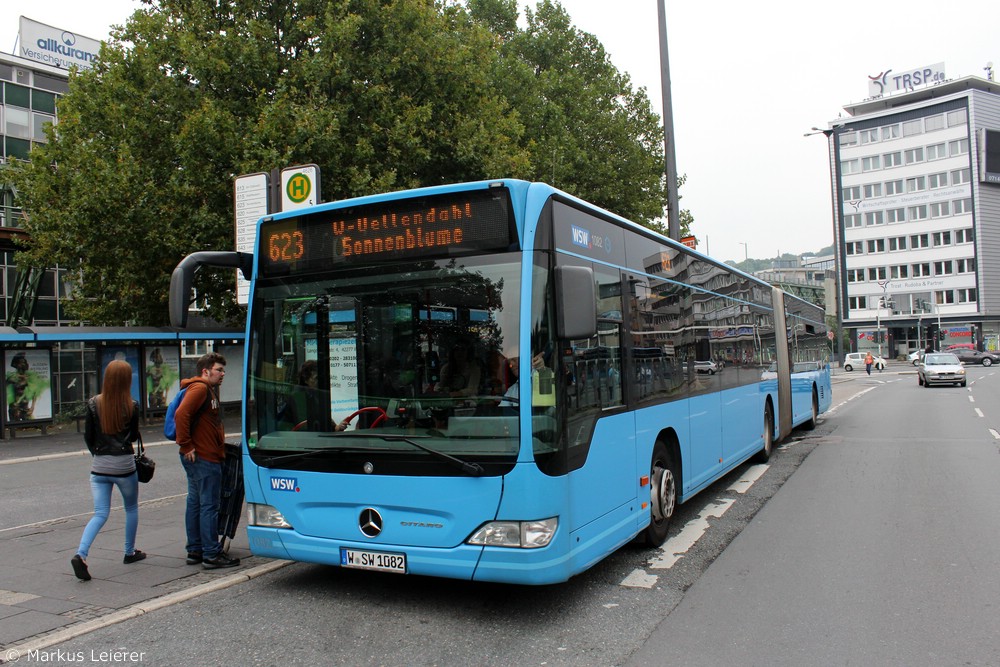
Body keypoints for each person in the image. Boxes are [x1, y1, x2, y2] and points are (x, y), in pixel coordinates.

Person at [71, 360, 144, 581]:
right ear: (126, 380)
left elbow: (88, 436)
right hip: (123, 465)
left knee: (100, 513)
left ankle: (81, 554)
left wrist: (98, 455)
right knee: (130, 508)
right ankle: (129, 552)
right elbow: (131, 436)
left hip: (99, 466)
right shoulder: (132, 405)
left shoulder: (93, 403)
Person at [176, 352, 240, 570]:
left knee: (195, 502)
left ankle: (195, 549)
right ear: (205, 371)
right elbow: (181, 415)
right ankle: (211, 553)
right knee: (209, 506)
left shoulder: (204, 389)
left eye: (223, 370)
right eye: (218, 370)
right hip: (204, 457)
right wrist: (186, 445)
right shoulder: (200, 388)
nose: (222, 374)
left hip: (199, 455)